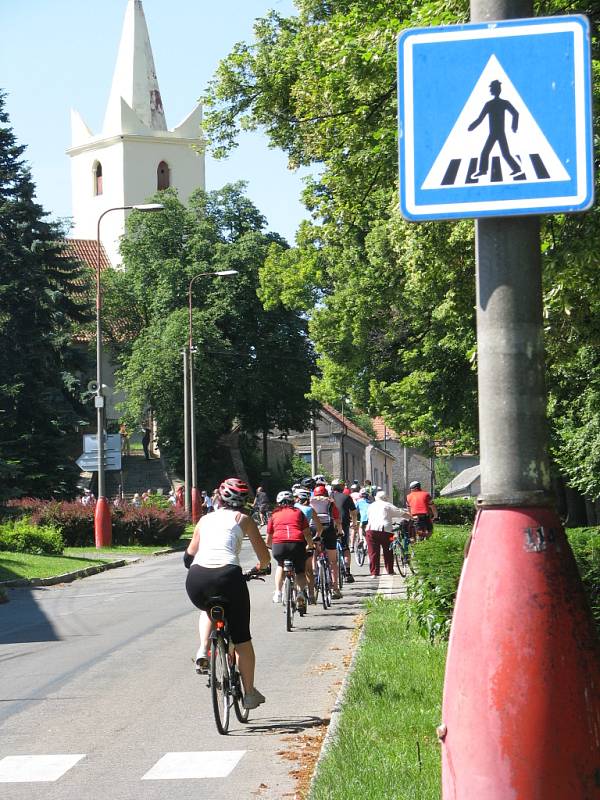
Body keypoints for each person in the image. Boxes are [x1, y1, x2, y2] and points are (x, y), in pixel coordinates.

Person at [184, 477, 271, 710]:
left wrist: (191, 562)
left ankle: (203, 647)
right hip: (229, 576)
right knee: (242, 639)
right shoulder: (244, 519)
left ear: (219, 498)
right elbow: (264, 557)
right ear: (245, 501)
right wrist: (261, 567)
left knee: (207, 608)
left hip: (197, 578)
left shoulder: (204, 519)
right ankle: (250, 694)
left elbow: (189, 554)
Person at [266, 490, 314, 612]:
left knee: (280, 564)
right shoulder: (298, 512)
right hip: (297, 544)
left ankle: (278, 592)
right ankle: (301, 594)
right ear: (293, 501)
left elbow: (269, 537)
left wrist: (269, 546)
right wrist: (310, 545)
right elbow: (307, 533)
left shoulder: (274, 514)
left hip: (279, 545)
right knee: (299, 571)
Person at [366, 490, 411, 577]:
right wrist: (412, 517)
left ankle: (374, 573)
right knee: (388, 550)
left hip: (371, 530)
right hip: (386, 531)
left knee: (373, 552)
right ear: (385, 498)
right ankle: (390, 570)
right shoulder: (387, 505)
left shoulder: (371, 506)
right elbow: (401, 513)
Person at [310, 483, 343, 598]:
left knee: (314, 551)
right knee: (333, 561)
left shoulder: (310, 501)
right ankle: (335, 588)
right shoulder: (330, 501)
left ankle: (314, 574)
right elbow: (337, 519)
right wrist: (340, 531)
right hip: (328, 528)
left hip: (313, 527)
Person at [294, 488, 323, 603]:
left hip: (290, 539)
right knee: (308, 569)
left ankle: (289, 590)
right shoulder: (310, 510)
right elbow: (319, 527)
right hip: (305, 539)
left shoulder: (293, 508)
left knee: (295, 568)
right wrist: (317, 536)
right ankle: (311, 595)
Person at [330, 479, 357, 583]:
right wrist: (354, 524)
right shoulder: (346, 497)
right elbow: (354, 512)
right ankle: (347, 572)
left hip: (331, 524)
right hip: (344, 524)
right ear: (342, 487)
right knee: (345, 548)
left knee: (329, 548)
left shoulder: (329, 497)